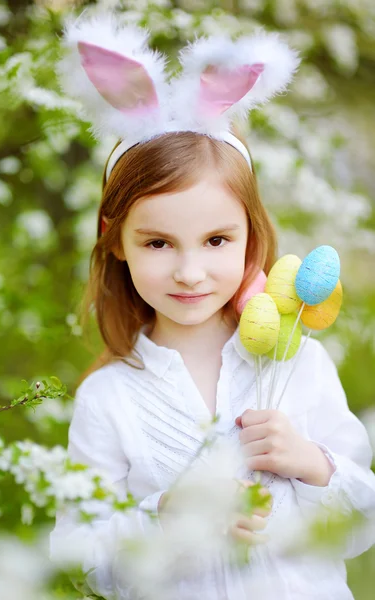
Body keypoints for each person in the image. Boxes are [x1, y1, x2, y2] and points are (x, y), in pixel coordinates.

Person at [50, 10, 375, 600]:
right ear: (115, 238)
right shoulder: (109, 397)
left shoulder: (297, 363)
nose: (191, 271)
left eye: (217, 240)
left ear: (250, 234)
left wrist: (311, 462)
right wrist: (163, 515)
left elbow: (359, 529)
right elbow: (78, 559)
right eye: (157, 243)